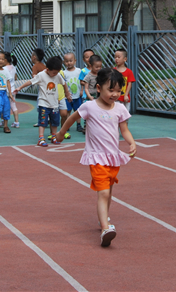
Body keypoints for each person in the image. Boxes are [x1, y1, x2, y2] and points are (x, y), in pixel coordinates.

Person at [56, 68, 137, 247]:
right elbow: (71, 119)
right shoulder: (89, 107)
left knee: (109, 191)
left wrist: (131, 142)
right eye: (111, 90)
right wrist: (61, 133)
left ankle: (103, 219)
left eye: (118, 91)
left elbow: (124, 130)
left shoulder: (120, 108)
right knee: (103, 192)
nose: (115, 94)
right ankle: (105, 229)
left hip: (113, 157)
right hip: (96, 157)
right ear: (99, 88)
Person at [14, 56, 72, 147]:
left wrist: (67, 94)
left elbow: (64, 84)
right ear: (48, 69)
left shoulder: (57, 75)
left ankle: (53, 136)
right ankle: (41, 138)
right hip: (44, 103)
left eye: (57, 72)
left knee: (55, 121)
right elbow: (30, 82)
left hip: (54, 104)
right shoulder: (41, 75)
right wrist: (19, 88)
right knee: (43, 121)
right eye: (54, 72)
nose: (55, 74)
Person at [63, 52, 83, 133]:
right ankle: (67, 125)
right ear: (64, 62)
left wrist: (82, 90)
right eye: (66, 61)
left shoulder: (79, 71)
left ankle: (78, 124)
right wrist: (66, 93)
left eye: (71, 61)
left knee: (77, 111)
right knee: (68, 111)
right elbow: (63, 84)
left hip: (77, 95)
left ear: (75, 61)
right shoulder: (64, 73)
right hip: (68, 96)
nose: (69, 63)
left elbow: (82, 81)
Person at [77, 49, 95, 133]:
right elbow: (81, 81)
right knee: (87, 110)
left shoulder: (97, 69)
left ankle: (94, 126)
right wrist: (87, 83)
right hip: (86, 94)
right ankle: (86, 126)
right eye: (87, 57)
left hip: (96, 94)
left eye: (91, 56)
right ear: (84, 60)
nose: (89, 59)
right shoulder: (84, 71)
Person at [114, 48, 136, 113]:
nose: (116, 59)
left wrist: (126, 95)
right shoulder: (113, 70)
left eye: (119, 57)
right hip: (115, 98)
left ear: (125, 59)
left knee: (125, 115)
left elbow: (129, 84)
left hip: (125, 98)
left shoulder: (129, 72)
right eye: (115, 57)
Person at [29, 48, 47, 127]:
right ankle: (48, 118)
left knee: (40, 105)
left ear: (34, 57)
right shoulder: (44, 65)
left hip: (41, 89)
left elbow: (35, 77)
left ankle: (41, 121)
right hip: (47, 88)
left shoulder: (35, 66)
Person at [5, 52, 20, 128]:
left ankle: (3, 121)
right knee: (13, 106)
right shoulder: (14, 67)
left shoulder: (3, 68)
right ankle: (16, 122)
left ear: (5, 60)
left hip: (5, 89)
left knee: (4, 105)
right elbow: (16, 78)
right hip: (13, 89)